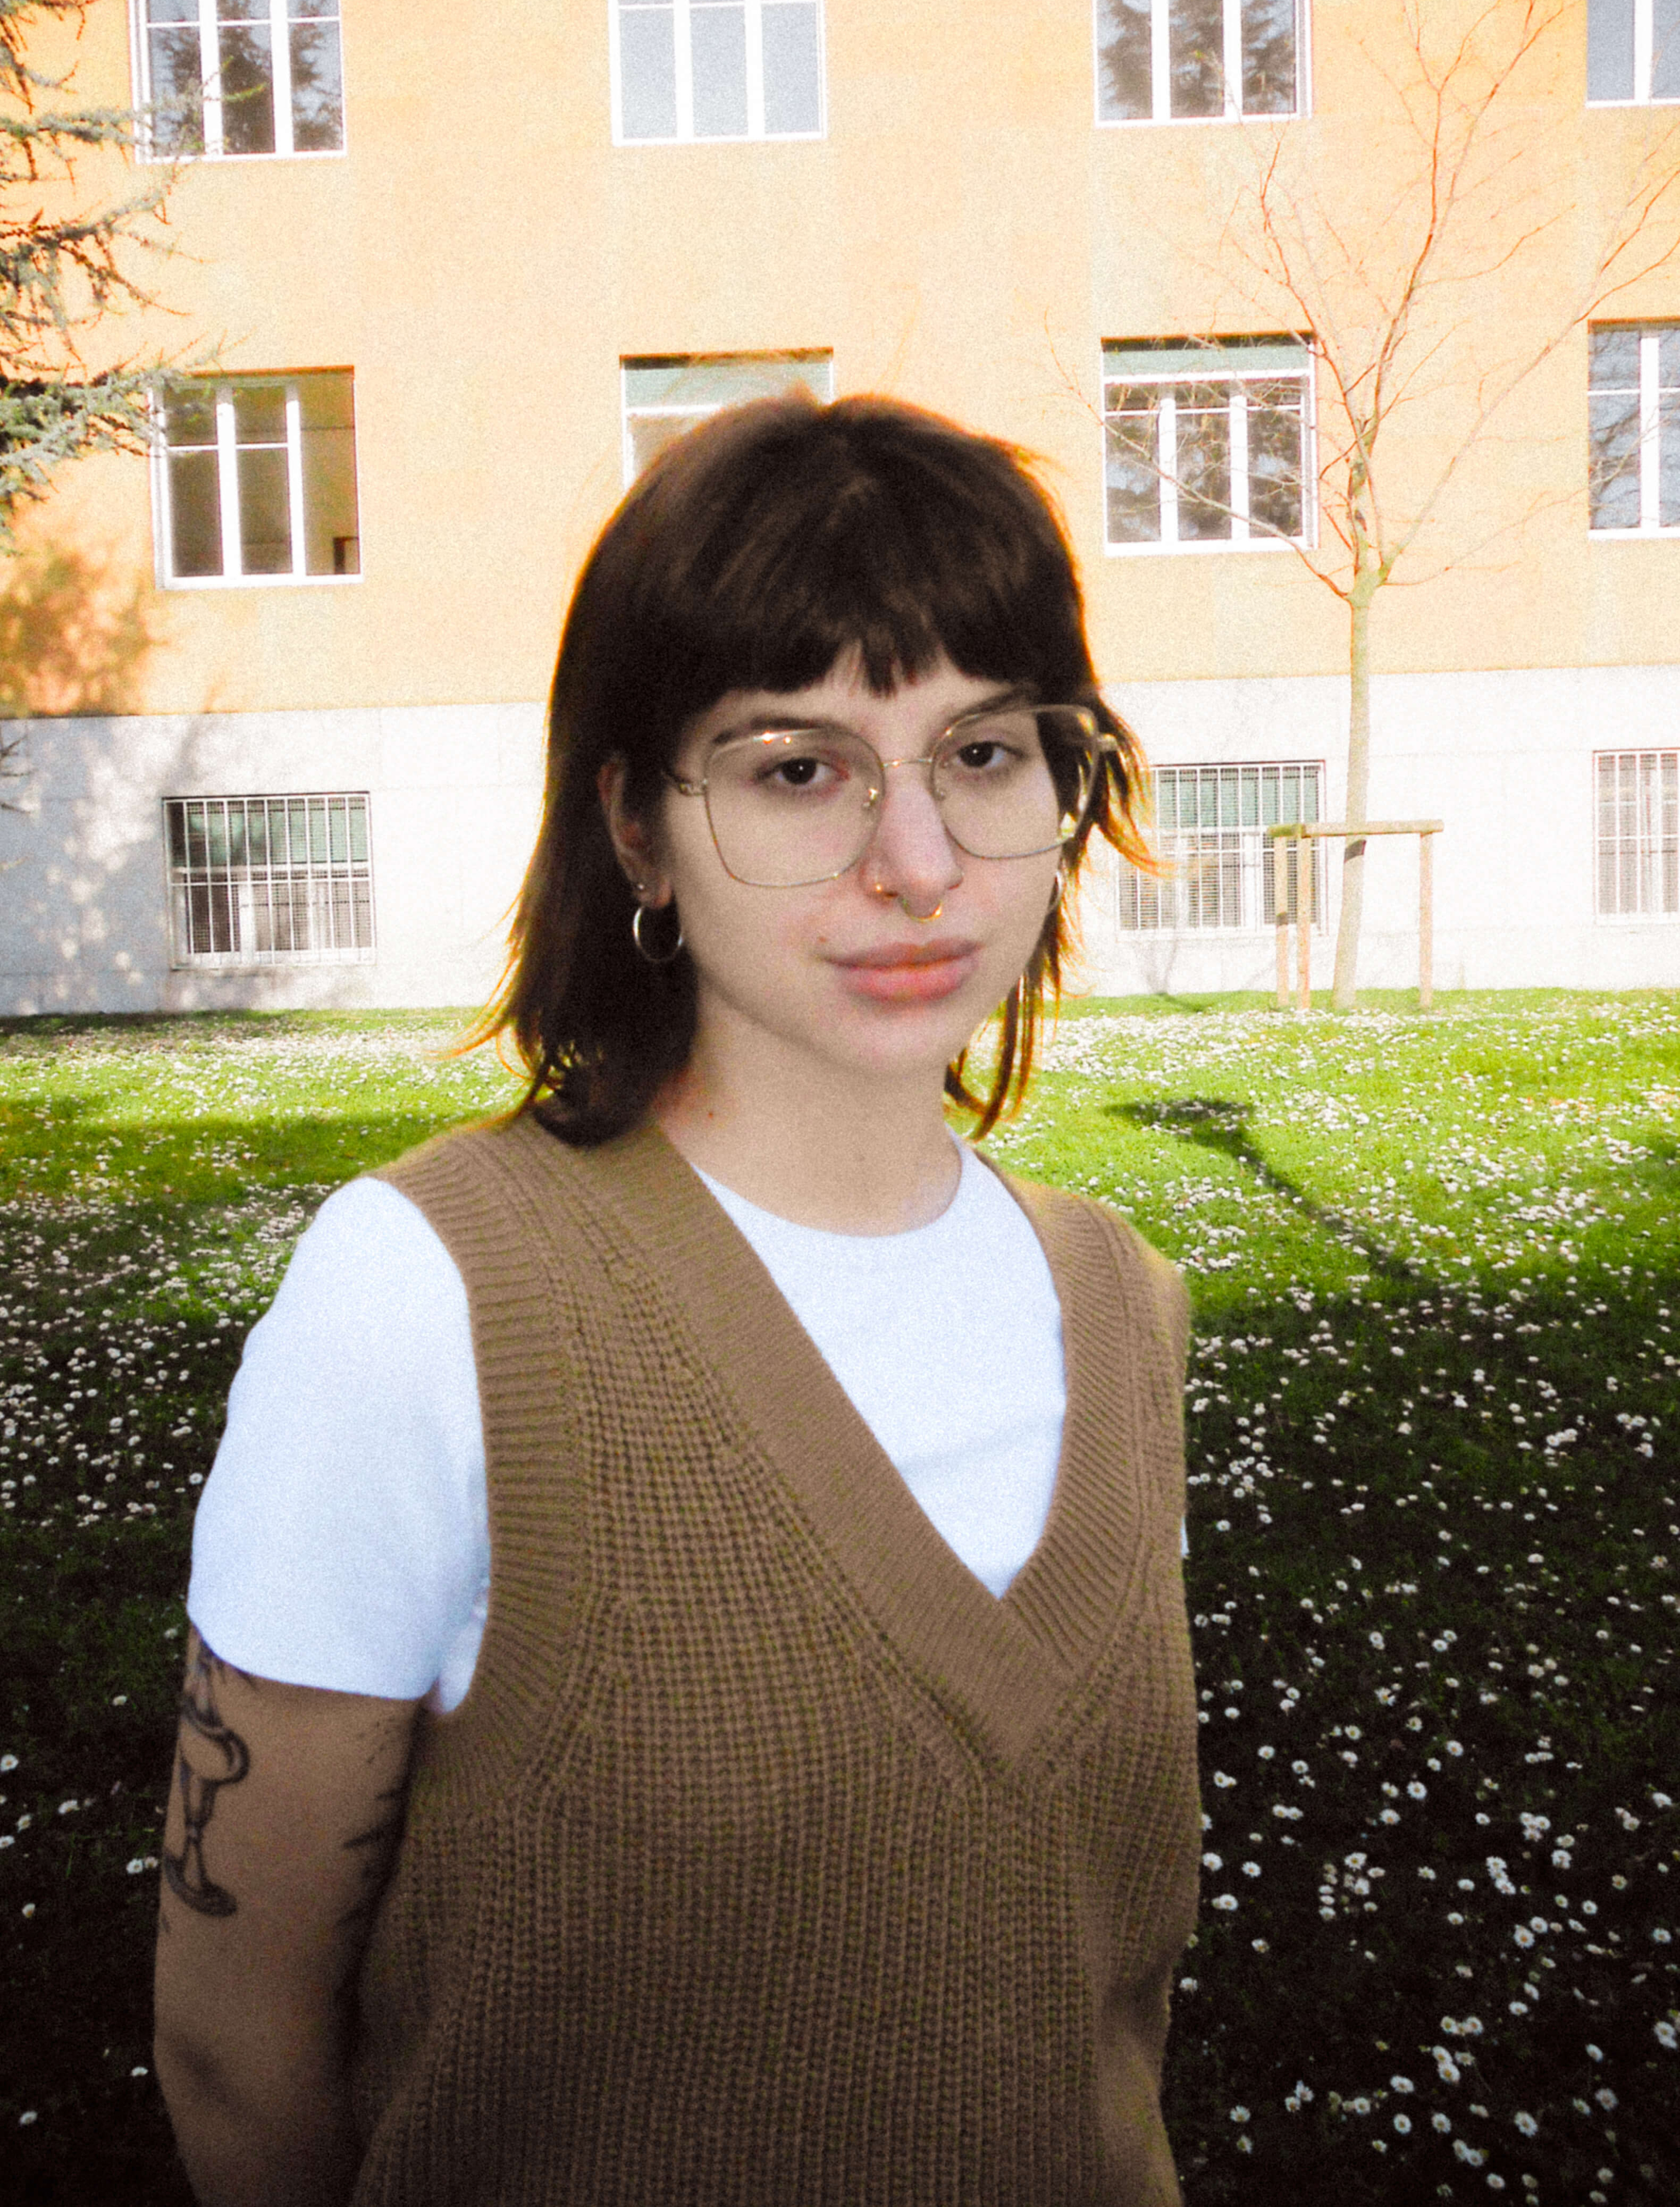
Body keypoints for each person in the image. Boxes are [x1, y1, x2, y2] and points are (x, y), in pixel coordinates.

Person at [153, 393, 1201, 2207]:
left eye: (982, 754)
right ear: (635, 827)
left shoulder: (1115, 1301)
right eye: (797, 767)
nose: (918, 865)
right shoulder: (428, 1300)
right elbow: (233, 2054)